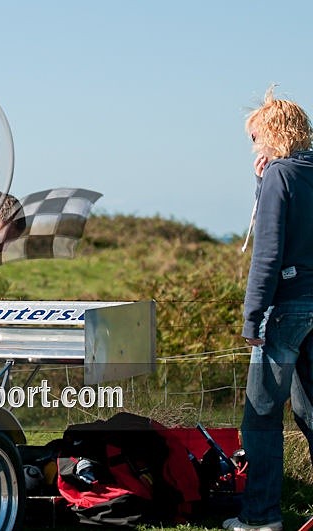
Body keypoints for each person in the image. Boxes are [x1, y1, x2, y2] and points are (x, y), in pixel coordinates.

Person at [224, 86, 313, 531]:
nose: (253, 146)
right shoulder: (301, 172)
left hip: (287, 309)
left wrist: (252, 315)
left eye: (255, 137)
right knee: (310, 412)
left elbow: (270, 251)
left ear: (273, 134)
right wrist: (264, 182)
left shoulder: (281, 173)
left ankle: (260, 517)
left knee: (260, 415)